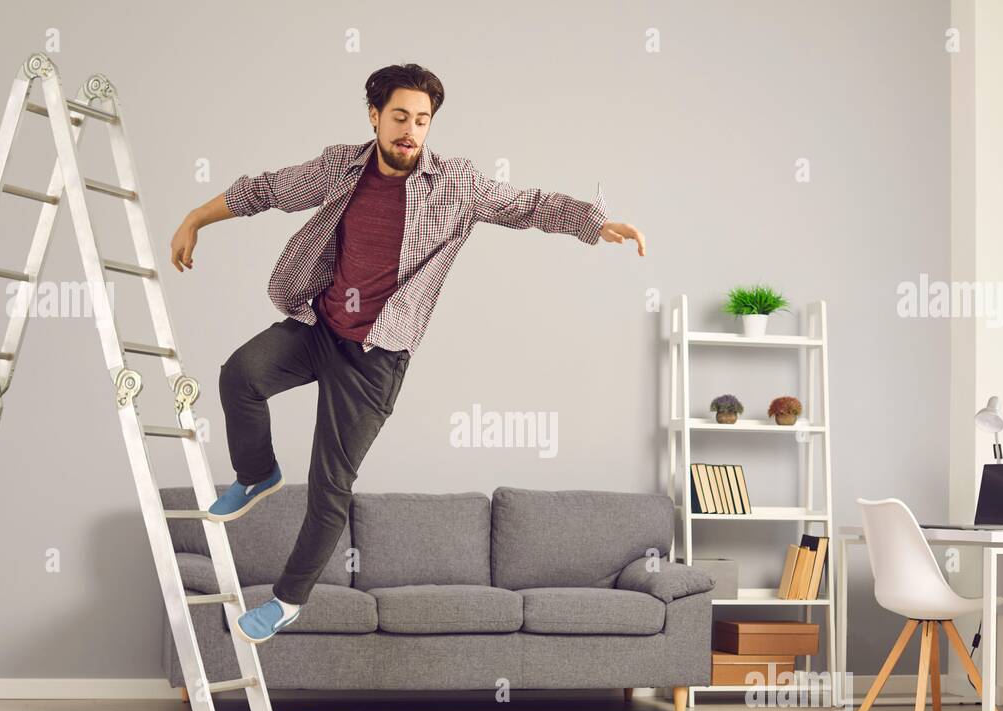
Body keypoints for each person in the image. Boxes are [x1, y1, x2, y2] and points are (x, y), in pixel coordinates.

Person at [168, 63, 646, 644]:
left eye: (422, 121)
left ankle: (288, 600)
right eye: (400, 117)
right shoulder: (341, 165)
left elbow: (526, 204)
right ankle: (257, 473)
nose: (411, 132)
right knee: (240, 375)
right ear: (374, 116)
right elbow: (265, 189)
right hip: (320, 326)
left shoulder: (454, 184)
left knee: (329, 487)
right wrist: (197, 217)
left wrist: (592, 224)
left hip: (375, 356)